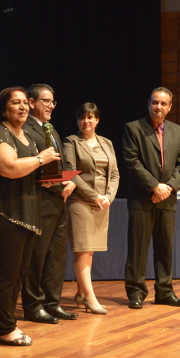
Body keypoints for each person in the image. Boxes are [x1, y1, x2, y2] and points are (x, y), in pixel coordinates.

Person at [0, 88, 61, 346]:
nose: (23, 107)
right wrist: (40, 159)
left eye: (25, 102)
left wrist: (46, 179)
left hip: (24, 214)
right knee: (7, 274)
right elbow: (9, 167)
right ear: (4, 108)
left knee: (19, 274)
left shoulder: (26, 137)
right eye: (16, 103)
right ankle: (5, 328)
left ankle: (8, 324)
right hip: (2, 214)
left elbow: (28, 171)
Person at [122, 87, 180, 309]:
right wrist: (154, 186)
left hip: (168, 198)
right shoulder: (133, 128)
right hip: (142, 198)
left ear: (170, 107)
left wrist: (168, 187)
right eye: (155, 102)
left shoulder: (178, 131)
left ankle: (164, 291)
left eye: (163, 104)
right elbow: (131, 162)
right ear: (148, 104)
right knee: (138, 248)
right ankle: (136, 292)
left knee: (165, 248)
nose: (158, 107)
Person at [20, 84, 77, 324]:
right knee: (37, 258)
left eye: (53, 102)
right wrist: (55, 185)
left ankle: (52, 303)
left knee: (56, 257)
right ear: (32, 103)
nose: (51, 106)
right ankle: (33, 305)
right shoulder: (25, 129)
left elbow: (59, 166)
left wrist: (69, 183)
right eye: (46, 101)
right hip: (39, 203)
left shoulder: (51, 130)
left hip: (58, 202)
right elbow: (28, 165)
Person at [63, 103, 119, 315]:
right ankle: (89, 297)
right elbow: (70, 172)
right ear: (78, 121)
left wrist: (108, 197)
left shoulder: (106, 143)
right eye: (82, 117)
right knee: (83, 250)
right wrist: (94, 195)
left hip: (102, 202)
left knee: (90, 250)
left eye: (90, 117)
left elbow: (114, 174)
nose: (86, 121)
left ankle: (80, 293)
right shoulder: (71, 141)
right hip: (80, 201)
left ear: (97, 120)